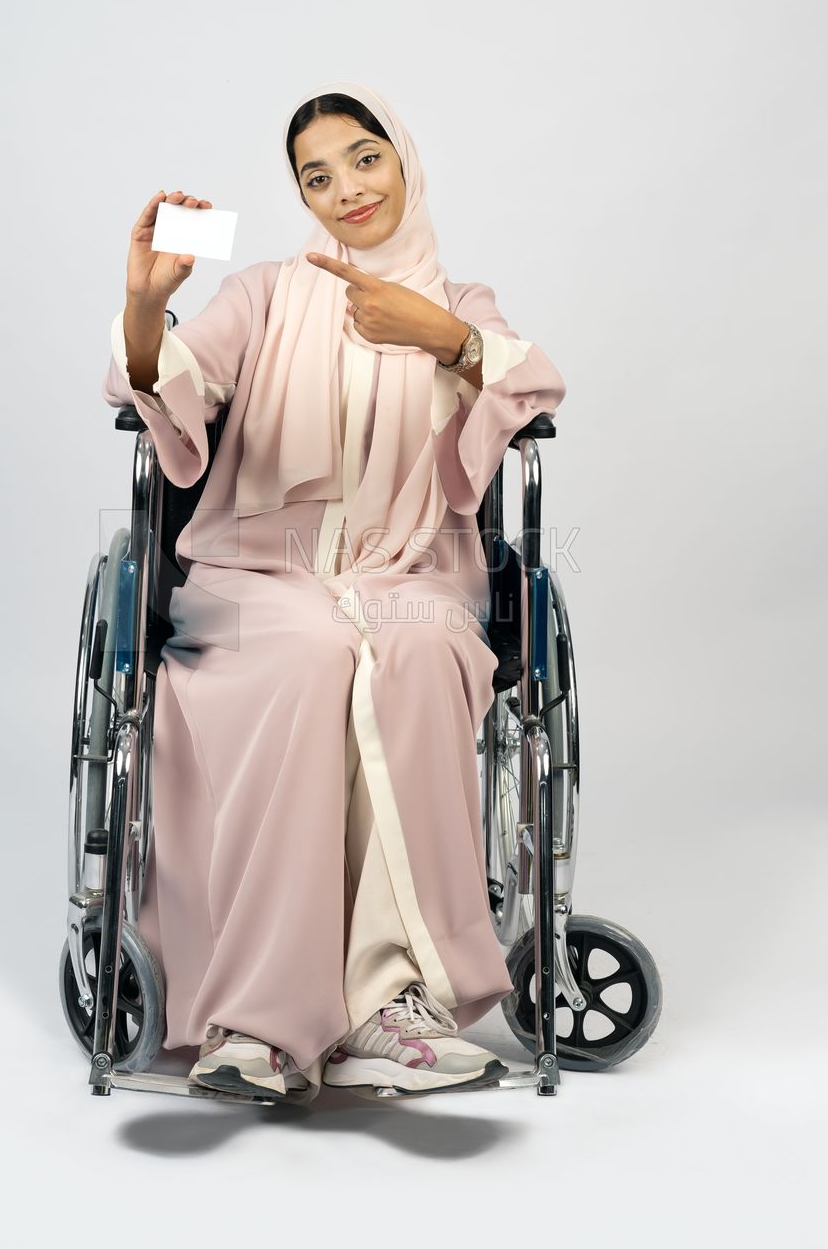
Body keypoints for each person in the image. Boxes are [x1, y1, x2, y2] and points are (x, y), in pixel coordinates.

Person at [102, 80, 567, 1106]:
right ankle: (260, 1021)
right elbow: (172, 385)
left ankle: (389, 1009)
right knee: (311, 648)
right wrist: (146, 306)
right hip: (257, 576)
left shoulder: (460, 303)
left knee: (417, 650)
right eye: (317, 175)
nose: (346, 189)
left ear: (402, 160)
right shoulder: (264, 291)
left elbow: (531, 383)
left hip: (406, 573)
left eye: (365, 158)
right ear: (300, 196)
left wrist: (439, 337)